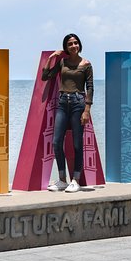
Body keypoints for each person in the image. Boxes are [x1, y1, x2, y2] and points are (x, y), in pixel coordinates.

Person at [42, 33, 93, 193]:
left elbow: (90, 88)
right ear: (66, 47)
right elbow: (46, 76)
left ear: (79, 45)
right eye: (70, 44)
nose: (73, 46)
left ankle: (75, 180)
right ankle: (62, 179)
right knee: (57, 142)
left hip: (78, 104)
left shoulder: (86, 64)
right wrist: (51, 58)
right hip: (63, 102)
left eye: (76, 43)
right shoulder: (62, 61)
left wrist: (87, 110)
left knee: (78, 144)